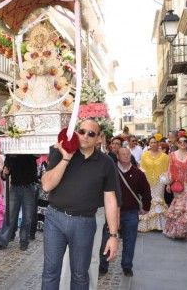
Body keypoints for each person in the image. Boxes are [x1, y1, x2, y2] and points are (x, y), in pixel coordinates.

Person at [41, 119, 120, 290]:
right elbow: (46, 185)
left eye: (91, 134)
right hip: (55, 219)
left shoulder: (106, 163)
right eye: (82, 131)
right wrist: (66, 158)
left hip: (84, 223)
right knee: (50, 271)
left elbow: (111, 199)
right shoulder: (60, 152)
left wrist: (113, 235)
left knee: (80, 274)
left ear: (99, 138)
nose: (85, 136)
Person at [100, 147, 151, 277]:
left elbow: (146, 191)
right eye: (123, 154)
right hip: (111, 212)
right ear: (117, 156)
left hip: (130, 212)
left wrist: (146, 206)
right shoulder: (111, 172)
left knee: (130, 240)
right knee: (107, 238)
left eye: (128, 154)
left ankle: (127, 266)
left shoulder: (138, 173)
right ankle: (103, 265)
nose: (126, 156)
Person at [0, 153, 37, 251]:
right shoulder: (10, 154)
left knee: (27, 217)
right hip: (15, 187)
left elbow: (36, 158)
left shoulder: (30, 154)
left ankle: (24, 241)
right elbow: (4, 176)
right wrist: (5, 172)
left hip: (28, 187)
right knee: (9, 215)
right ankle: (3, 241)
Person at [138, 136, 169, 232]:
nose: (153, 144)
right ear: (149, 144)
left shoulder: (164, 156)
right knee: (149, 199)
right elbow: (142, 169)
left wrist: (167, 182)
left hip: (160, 181)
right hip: (147, 181)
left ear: (158, 143)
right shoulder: (145, 155)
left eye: (155, 142)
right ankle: (148, 225)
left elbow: (167, 170)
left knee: (158, 199)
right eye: (151, 142)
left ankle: (160, 224)